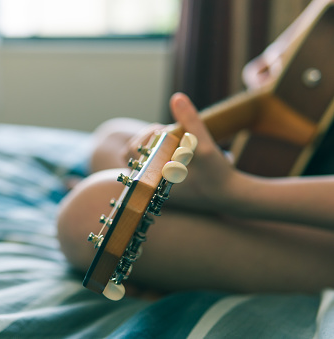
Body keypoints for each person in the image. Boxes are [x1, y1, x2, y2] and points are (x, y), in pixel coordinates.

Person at [57, 0, 334, 295]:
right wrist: (274, 68)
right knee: (113, 137)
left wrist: (237, 192)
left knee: (87, 211)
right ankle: (207, 211)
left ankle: (215, 212)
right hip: (299, 172)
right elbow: (269, 66)